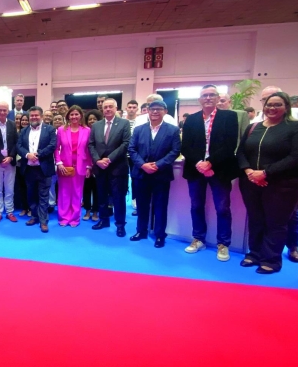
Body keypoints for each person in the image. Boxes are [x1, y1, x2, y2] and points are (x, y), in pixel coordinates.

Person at [236, 92, 298, 274]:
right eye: (269, 104)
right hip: (251, 181)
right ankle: (254, 253)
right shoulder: (253, 127)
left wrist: (266, 173)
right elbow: (241, 152)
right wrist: (249, 171)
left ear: (286, 107)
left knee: (276, 222)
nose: (272, 108)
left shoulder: (296, 127)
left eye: (277, 105)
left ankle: (271, 259)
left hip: (282, 183)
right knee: (255, 219)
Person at [252, 85, 298, 256]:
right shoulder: (257, 122)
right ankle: (259, 252)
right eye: (266, 101)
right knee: (262, 217)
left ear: (285, 101)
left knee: (288, 215)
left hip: (285, 176)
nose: (271, 106)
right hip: (257, 178)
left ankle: (293, 246)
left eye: (276, 101)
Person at [180, 85, 239, 261]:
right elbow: (186, 146)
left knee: (222, 208)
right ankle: (198, 238)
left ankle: (223, 244)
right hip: (195, 169)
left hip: (219, 169)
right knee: (196, 206)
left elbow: (230, 145)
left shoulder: (229, 117)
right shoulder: (191, 119)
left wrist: (210, 162)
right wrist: (199, 162)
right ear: (199, 99)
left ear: (217, 98)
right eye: (204, 95)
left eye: (211, 95)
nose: (208, 98)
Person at [128, 101, 182, 248]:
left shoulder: (172, 130)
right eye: (152, 109)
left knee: (160, 206)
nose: (155, 112)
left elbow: (175, 151)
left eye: (158, 109)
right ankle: (141, 231)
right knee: (142, 205)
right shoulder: (139, 130)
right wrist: (143, 165)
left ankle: (159, 235)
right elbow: (132, 150)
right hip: (141, 173)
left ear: (165, 111)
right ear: (148, 111)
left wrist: (158, 165)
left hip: (161, 175)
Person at [88, 98, 131, 237]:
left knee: (118, 198)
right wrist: (97, 160)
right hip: (100, 167)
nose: (107, 109)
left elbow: (125, 144)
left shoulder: (124, 123)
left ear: (116, 108)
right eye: (105, 107)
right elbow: (91, 145)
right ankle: (103, 220)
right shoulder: (96, 125)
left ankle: (120, 225)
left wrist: (109, 158)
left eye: (110, 107)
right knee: (101, 196)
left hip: (117, 167)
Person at [18, 106, 56, 233]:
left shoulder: (50, 129)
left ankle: (43, 221)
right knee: (31, 195)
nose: (34, 117)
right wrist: (27, 154)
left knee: (43, 196)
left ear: (41, 116)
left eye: (36, 115)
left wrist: (38, 154)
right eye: (31, 115)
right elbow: (18, 146)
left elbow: (52, 145)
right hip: (28, 168)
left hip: (44, 168)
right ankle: (34, 216)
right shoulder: (23, 131)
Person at [54, 105, 92, 227]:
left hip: (80, 165)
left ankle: (75, 218)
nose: (74, 116)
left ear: (81, 116)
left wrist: (89, 166)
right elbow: (56, 148)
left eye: (76, 114)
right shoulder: (61, 130)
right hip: (65, 166)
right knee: (64, 192)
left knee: (77, 192)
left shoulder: (87, 130)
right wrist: (59, 163)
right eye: (72, 114)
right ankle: (64, 217)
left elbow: (89, 149)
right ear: (68, 116)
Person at [82, 110, 102, 222]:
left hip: (99, 164)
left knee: (97, 189)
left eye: (94, 119)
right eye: (90, 119)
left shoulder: (101, 132)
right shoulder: (85, 131)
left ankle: (95, 211)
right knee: (86, 189)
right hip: (86, 165)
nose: (92, 121)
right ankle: (87, 211)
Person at [14, 113, 29, 216]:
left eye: (25, 120)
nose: (23, 122)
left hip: (31, 163)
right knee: (22, 187)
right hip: (19, 164)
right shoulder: (17, 133)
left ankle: (31, 208)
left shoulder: (33, 132)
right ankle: (24, 208)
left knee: (31, 187)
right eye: (22, 120)